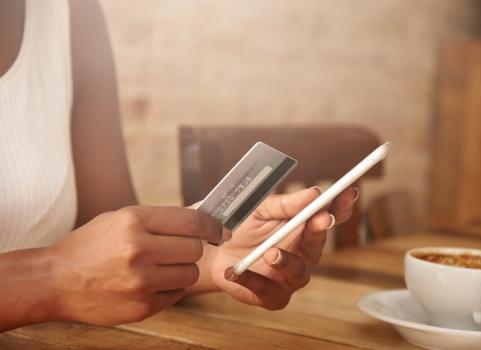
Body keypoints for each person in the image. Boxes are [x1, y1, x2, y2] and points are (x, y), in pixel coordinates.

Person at [0, 0, 358, 332]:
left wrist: (215, 259)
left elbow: (112, 252)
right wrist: (50, 281)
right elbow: (71, 275)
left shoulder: (70, 12)